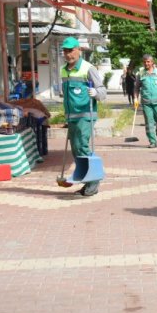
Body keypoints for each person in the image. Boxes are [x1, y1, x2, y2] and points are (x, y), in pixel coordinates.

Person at [60, 36, 106, 197]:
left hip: (85, 115)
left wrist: (95, 93)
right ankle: (88, 181)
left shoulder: (88, 68)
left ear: (78, 50)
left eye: (70, 50)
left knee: (82, 147)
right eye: (65, 51)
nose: (67, 54)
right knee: (76, 150)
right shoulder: (63, 69)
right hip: (71, 116)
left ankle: (93, 182)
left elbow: (102, 91)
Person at [133, 54, 157, 148]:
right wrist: (135, 99)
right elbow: (136, 88)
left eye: (148, 62)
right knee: (149, 123)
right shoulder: (141, 74)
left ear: (152, 62)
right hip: (146, 102)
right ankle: (152, 141)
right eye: (145, 62)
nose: (146, 63)